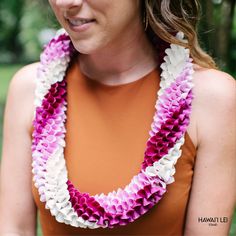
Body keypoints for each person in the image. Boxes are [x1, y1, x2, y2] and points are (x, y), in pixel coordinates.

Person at [0, 0, 235, 235]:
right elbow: (13, 229)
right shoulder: (30, 90)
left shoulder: (213, 99)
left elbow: (209, 225)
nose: (64, 2)